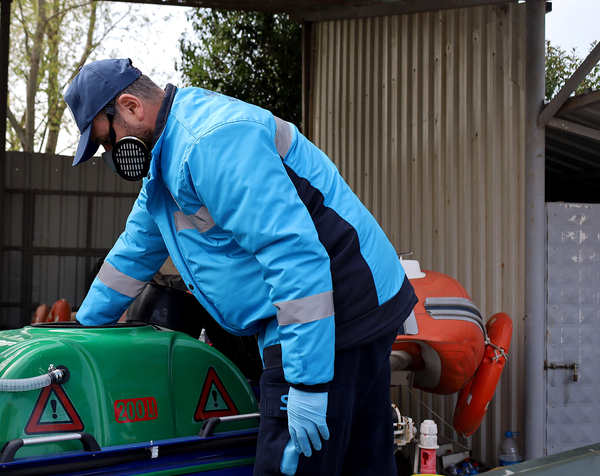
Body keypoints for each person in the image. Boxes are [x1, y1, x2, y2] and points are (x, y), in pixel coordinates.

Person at [64, 58, 417, 476]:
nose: (111, 154)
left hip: (334, 306)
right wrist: (81, 334)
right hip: (342, 302)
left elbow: (292, 254)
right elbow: (133, 252)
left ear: (129, 106)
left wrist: (306, 382)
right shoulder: (165, 161)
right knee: (364, 462)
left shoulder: (211, 141)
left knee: (290, 468)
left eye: (107, 141)